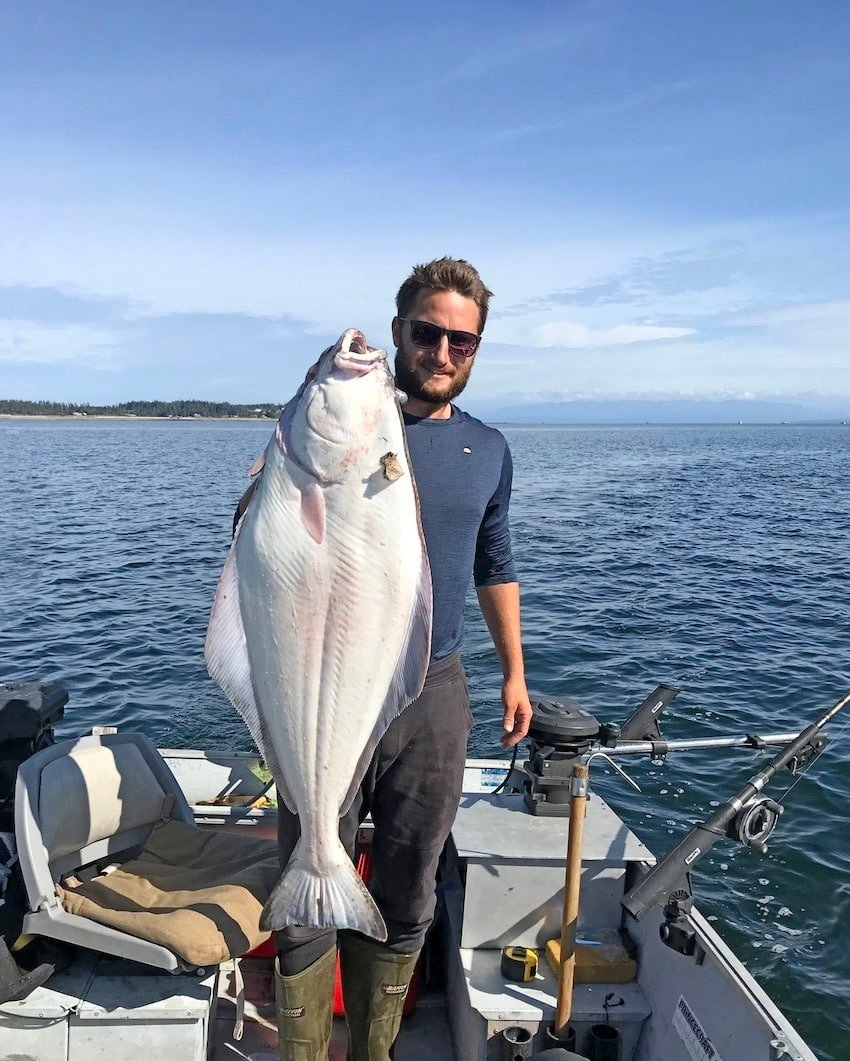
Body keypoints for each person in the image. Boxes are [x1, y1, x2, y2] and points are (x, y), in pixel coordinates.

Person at [263, 257, 533, 1060]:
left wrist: (515, 670)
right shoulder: (331, 423)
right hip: (325, 685)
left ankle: (375, 1047)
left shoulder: (487, 449)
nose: (444, 351)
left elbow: (495, 558)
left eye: (463, 340)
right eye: (428, 332)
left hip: (436, 687)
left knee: (412, 880)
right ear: (398, 333)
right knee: (309, 881)